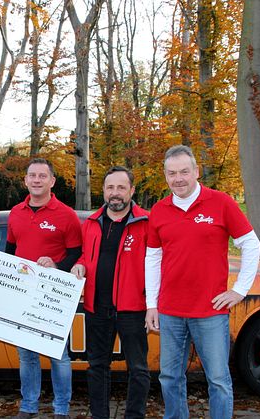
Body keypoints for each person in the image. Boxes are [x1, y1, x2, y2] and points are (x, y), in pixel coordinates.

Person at [144, 145, 260, 419]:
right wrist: (152, 304)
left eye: (184, 171)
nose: (178, 178)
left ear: (196, 172)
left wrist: (239, 290)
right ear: (165, 176)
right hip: (171, 311)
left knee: (218, 380)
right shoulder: (159, 211)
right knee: (170, 377)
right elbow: (152, 259)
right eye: (172, 173)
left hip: (210, 311)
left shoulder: (221, 202)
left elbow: (250, 244)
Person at [70, 166, 150, 419]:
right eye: (110, 187)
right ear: (103, 190)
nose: (115, 193)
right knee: (97, 367)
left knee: (138, 368)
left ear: (132, 190)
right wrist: (80, 263)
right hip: (97, 308)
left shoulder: (146, 222)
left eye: (121, 187)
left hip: (133, 308)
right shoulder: (91, 223)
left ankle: (134, 415)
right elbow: (85, 255)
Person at [5, 158, 83, 419]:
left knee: (57, 356)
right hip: (23, 294)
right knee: (26, 356)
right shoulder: (16, 212)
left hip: (53, 295)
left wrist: (57, 265)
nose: (36, 180)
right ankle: (28, 406)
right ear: (25, 180)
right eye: (32, 175)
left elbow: (77, 252)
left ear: (52, 181)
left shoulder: (66, 214)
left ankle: (61, 409)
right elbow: (10, 251)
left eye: (42, 176)